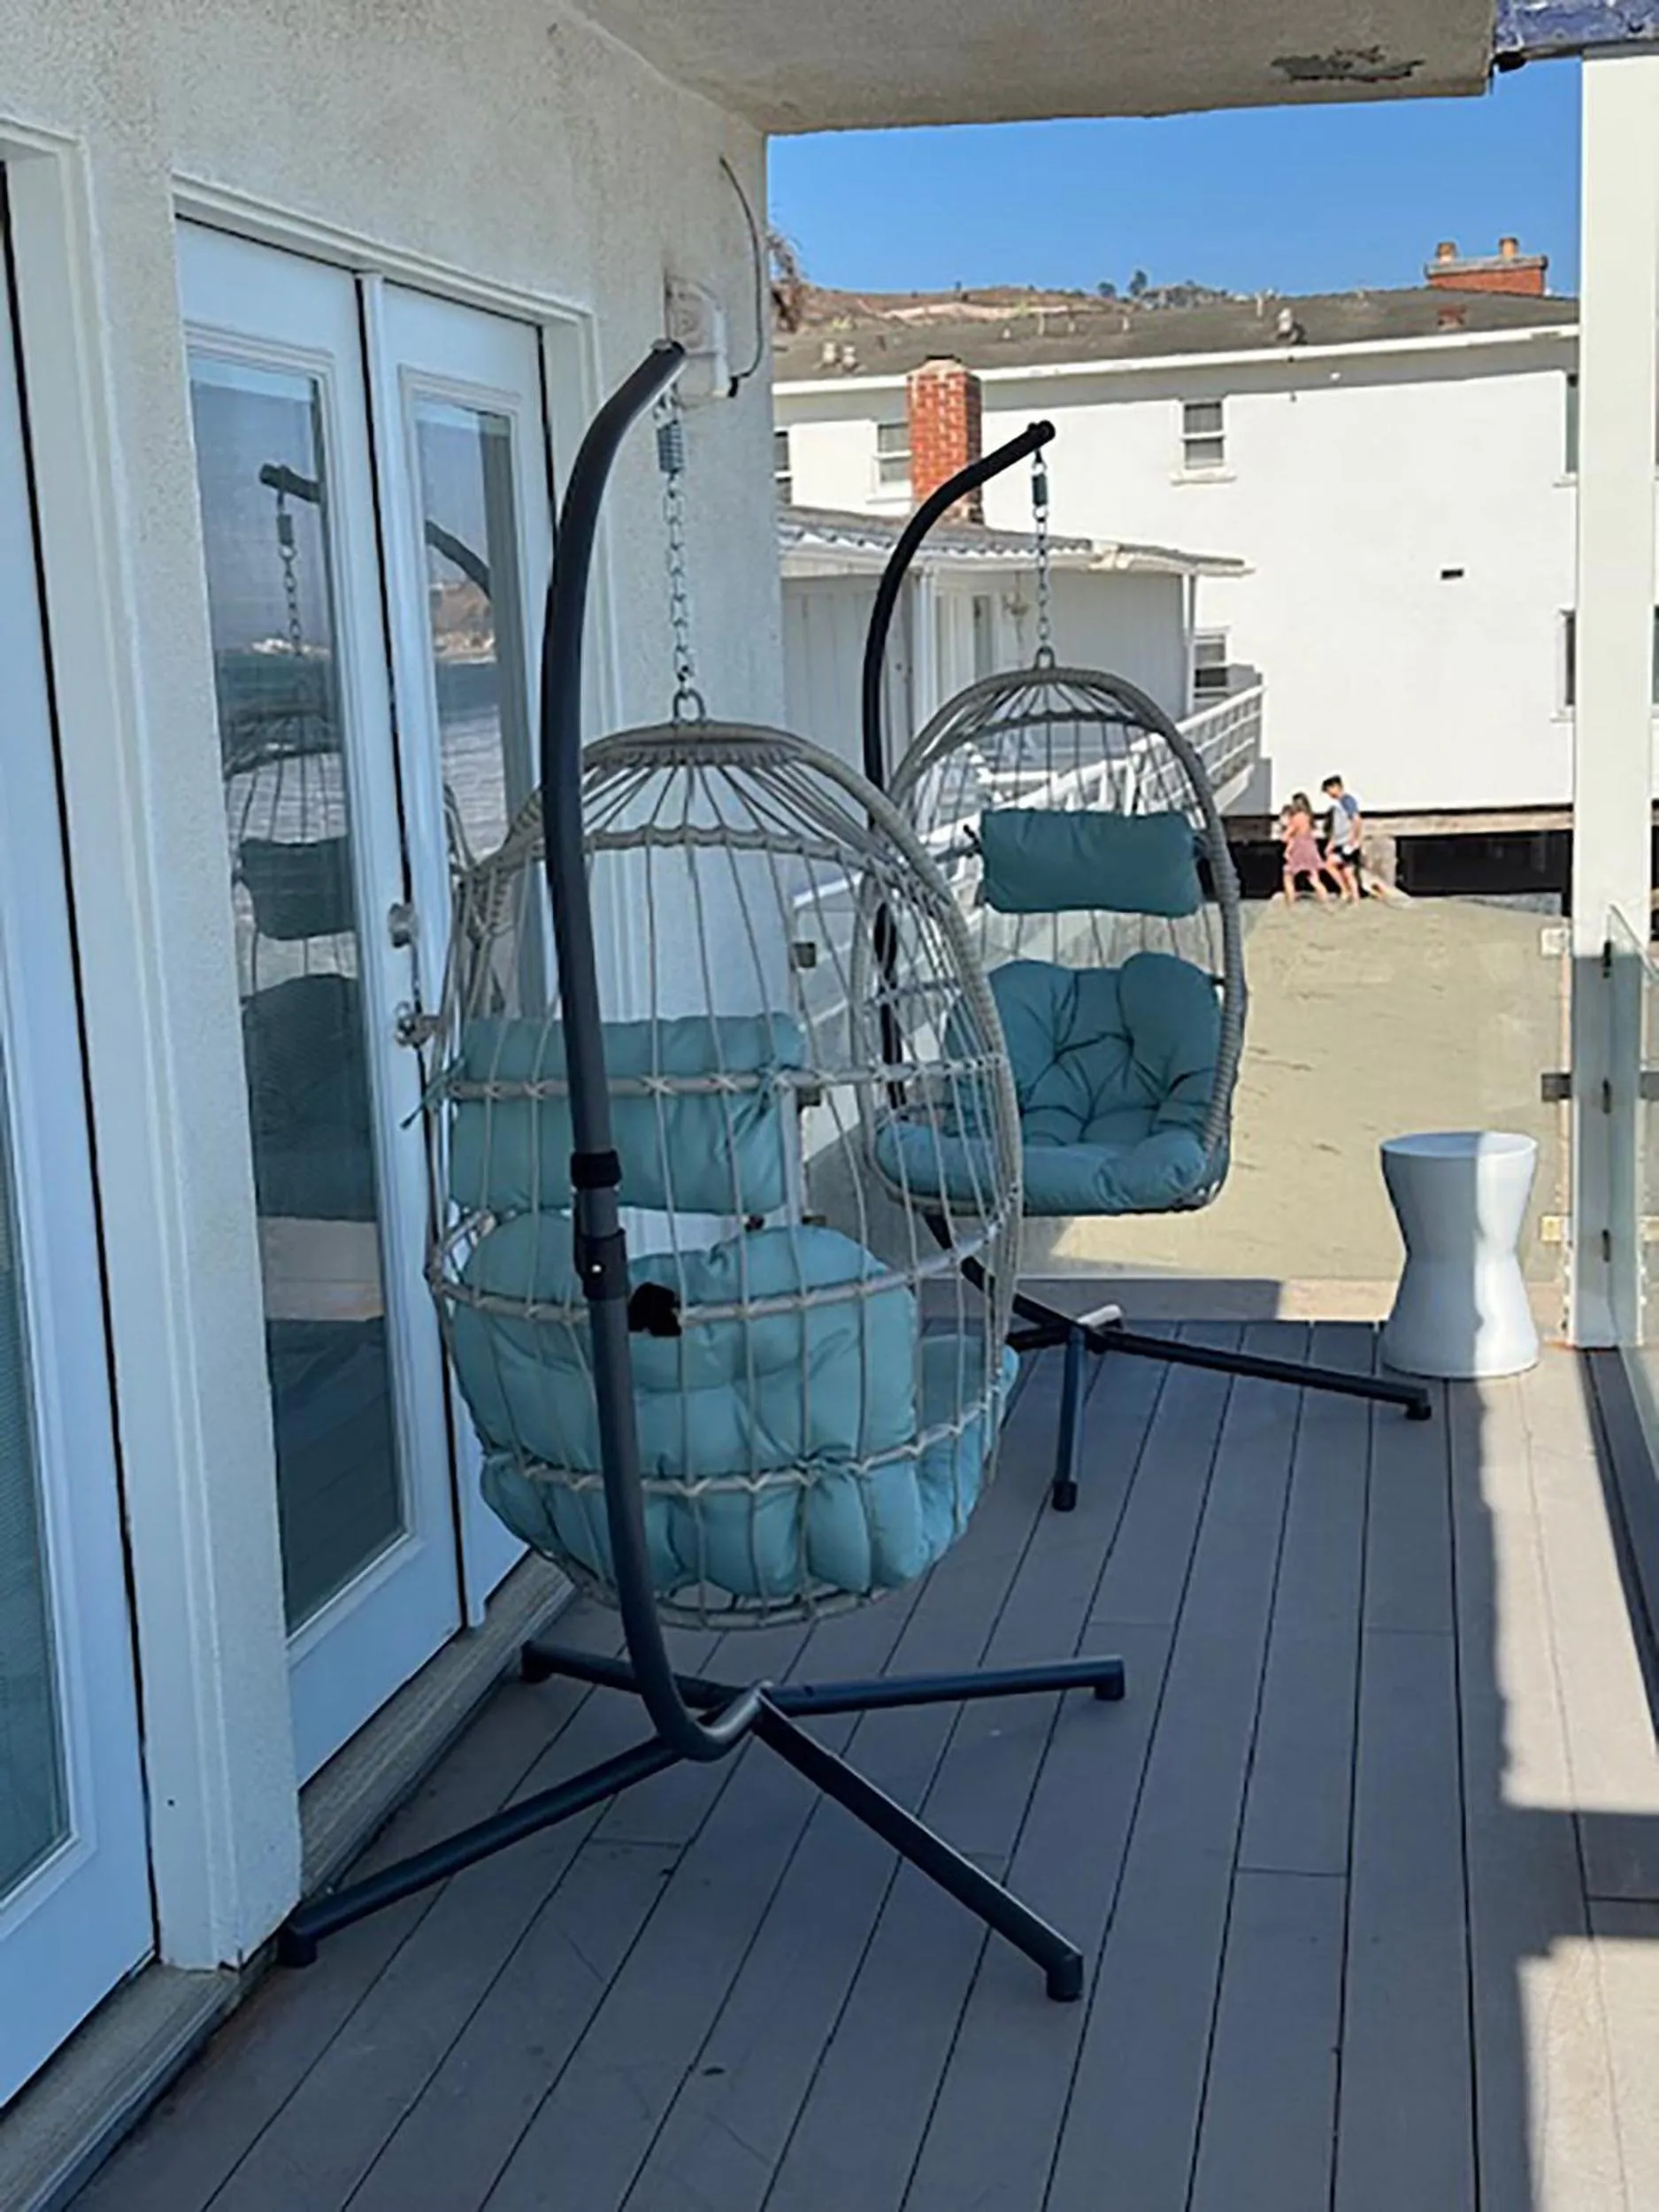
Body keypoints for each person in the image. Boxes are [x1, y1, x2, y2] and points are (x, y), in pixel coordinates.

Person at [1280, 790, 1339, 905]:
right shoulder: (1309, 817)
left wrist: (1285, 829)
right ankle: (1326, 902)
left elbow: (1285, 836)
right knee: (1314, 879)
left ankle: (1290, 904)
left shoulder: (1297, 818)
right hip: (1311, 847)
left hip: (1299, 849)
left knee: (1288, 876)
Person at [1321, 773, 1364, 902]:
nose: (1328, 793)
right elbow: (1337, 828)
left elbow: (1356, 820)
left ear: (1336, 786)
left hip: (1347, 843)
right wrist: (1331, 843)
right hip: (1342, 842)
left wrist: (1354, 839)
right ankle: (1355, 899)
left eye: (1328, 790)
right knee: (1348, 872)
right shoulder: (1338, 805)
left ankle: (1345, 890)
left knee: (1329, 864)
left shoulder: (1347, 801)